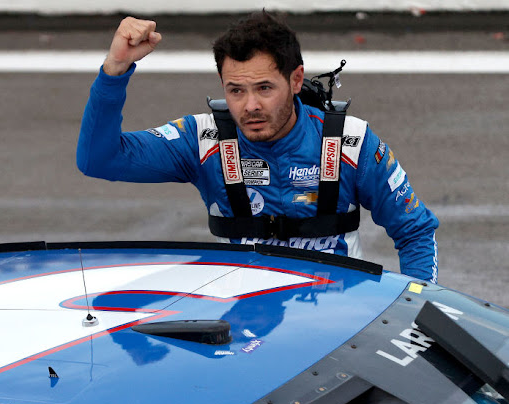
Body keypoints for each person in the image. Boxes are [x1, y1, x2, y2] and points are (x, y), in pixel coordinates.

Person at [76, 12, 439, 283]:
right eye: (236, 90)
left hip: (338, 319)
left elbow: (415, 231)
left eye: (264, 88)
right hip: (248, 321)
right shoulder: (204, 140)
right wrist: (115, 69)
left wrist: (418, 320)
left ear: (296, 80)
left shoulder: (350, 142)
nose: (250, 106)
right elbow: (99, 160)